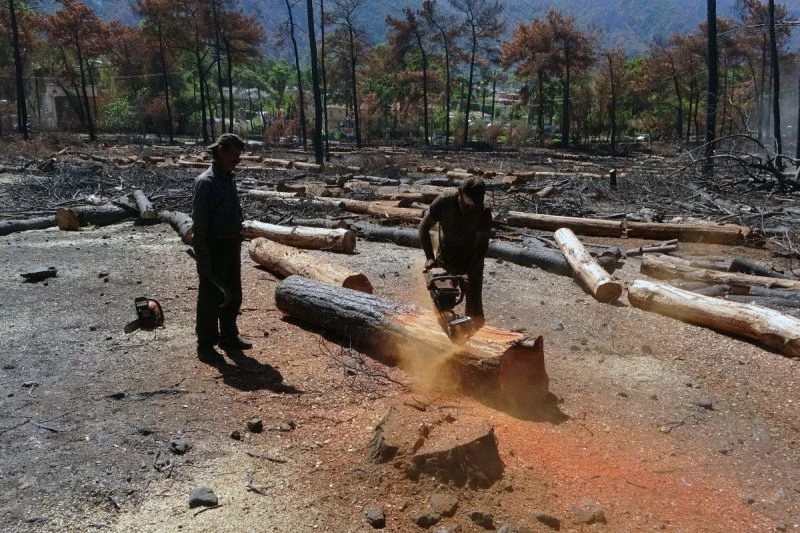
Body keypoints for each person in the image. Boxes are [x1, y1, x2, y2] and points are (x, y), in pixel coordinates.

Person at [192, 133, 252, 364]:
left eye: (239, 156)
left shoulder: (229, 178)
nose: (237, 160)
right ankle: (206, 344)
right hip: (214, 247)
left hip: (231, 245)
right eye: (234, 155)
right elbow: (200, 224)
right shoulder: (205, 182)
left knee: (233, 295)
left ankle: (229, 337)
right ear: (220, 152)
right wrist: (203, 257)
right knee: (209, 298)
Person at [418, 176, 491, 328]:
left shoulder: (483, 212)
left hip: (471, 262)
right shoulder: (444, 201)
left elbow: (481, 248)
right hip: (446, 258)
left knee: (475, 317)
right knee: (444, 305)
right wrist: (430, 258)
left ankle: (467, 340)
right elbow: (423, 227)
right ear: (460, 192)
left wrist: (469, 275)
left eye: (475, 206)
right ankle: (445, 338)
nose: (471, 208)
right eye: (468, 204)